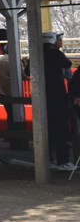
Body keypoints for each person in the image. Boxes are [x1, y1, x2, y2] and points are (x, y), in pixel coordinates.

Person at [41, 31, 73, 171]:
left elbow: (28, 71)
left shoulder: (37, 55)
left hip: (42, 97)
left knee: (46, 129)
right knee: (60, 129)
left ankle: (47, 160)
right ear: (53, 41)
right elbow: (68, 64)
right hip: (58, 96)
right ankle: (63, 160)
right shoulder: (57, 55)